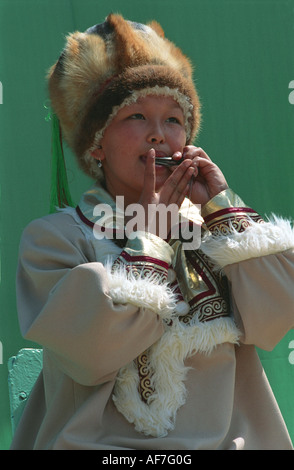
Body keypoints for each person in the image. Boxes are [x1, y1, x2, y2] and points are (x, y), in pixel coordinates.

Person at [11, 14, 294, 450]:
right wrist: (151, 240)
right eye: (138, 116)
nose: (159, 136)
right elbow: (91, 353)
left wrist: (222, 205)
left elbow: (276, 316)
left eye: (175, 120)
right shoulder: (55, 238)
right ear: (97, 146)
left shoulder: (217, 234)